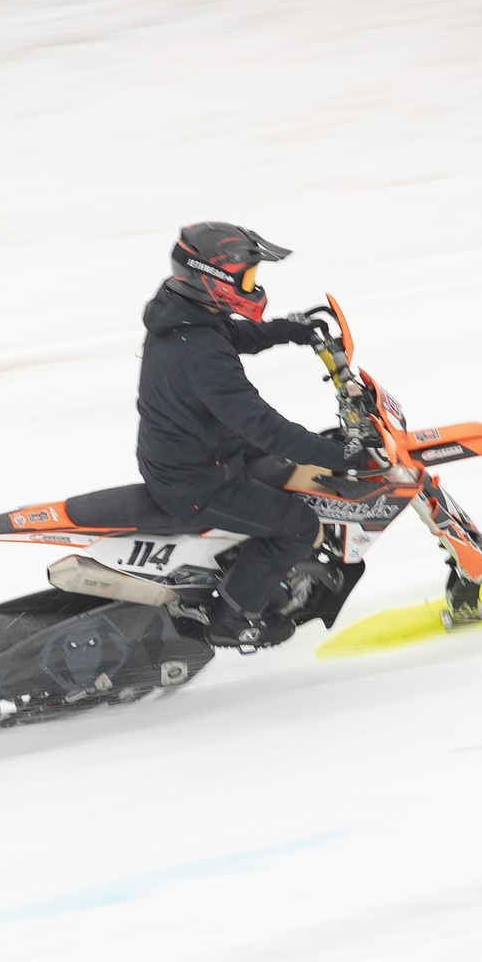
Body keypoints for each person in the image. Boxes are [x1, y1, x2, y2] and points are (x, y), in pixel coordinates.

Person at [136, 222, 382, 648]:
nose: (254, 285)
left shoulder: (186, 317)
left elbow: (236, 335)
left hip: (199, 451)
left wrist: (293, 329)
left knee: (294, 471)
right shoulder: (199, 353)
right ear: (214, 277)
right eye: (247, 276)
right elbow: (264, 428)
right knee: (297, 525)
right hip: (197, 480)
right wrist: (343, 455)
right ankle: (233, 617)